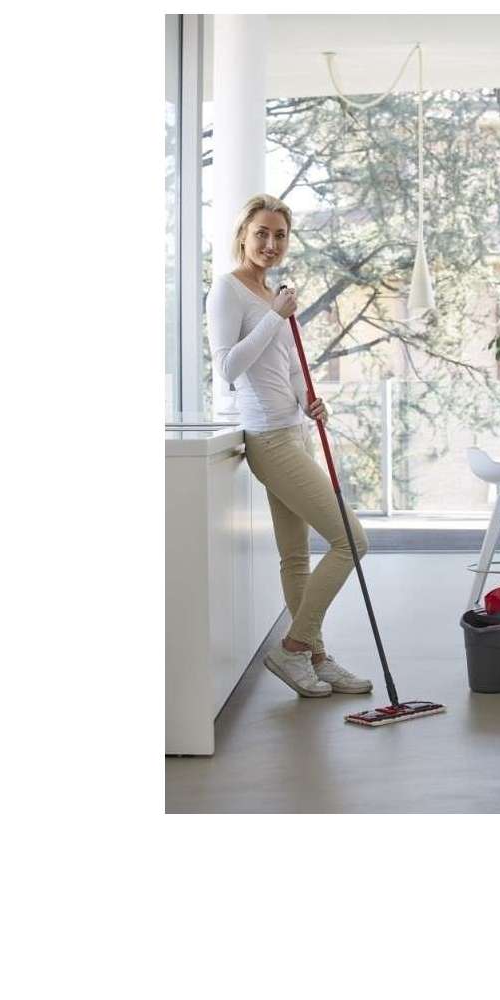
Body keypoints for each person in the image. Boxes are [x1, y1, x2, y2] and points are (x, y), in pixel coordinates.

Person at [206, 194, 373, 699]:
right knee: (351, 541)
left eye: (280, 235)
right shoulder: (228, 290)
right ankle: (294, 647)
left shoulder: (272, 292)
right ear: (243, 234)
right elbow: (228, 368)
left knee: (296, 557)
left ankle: (315, 659)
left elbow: (287, 366)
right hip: (269, 439)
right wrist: (275, 317)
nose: (271, 243)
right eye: (261, 233)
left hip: (296, 430)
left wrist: (309, 401)